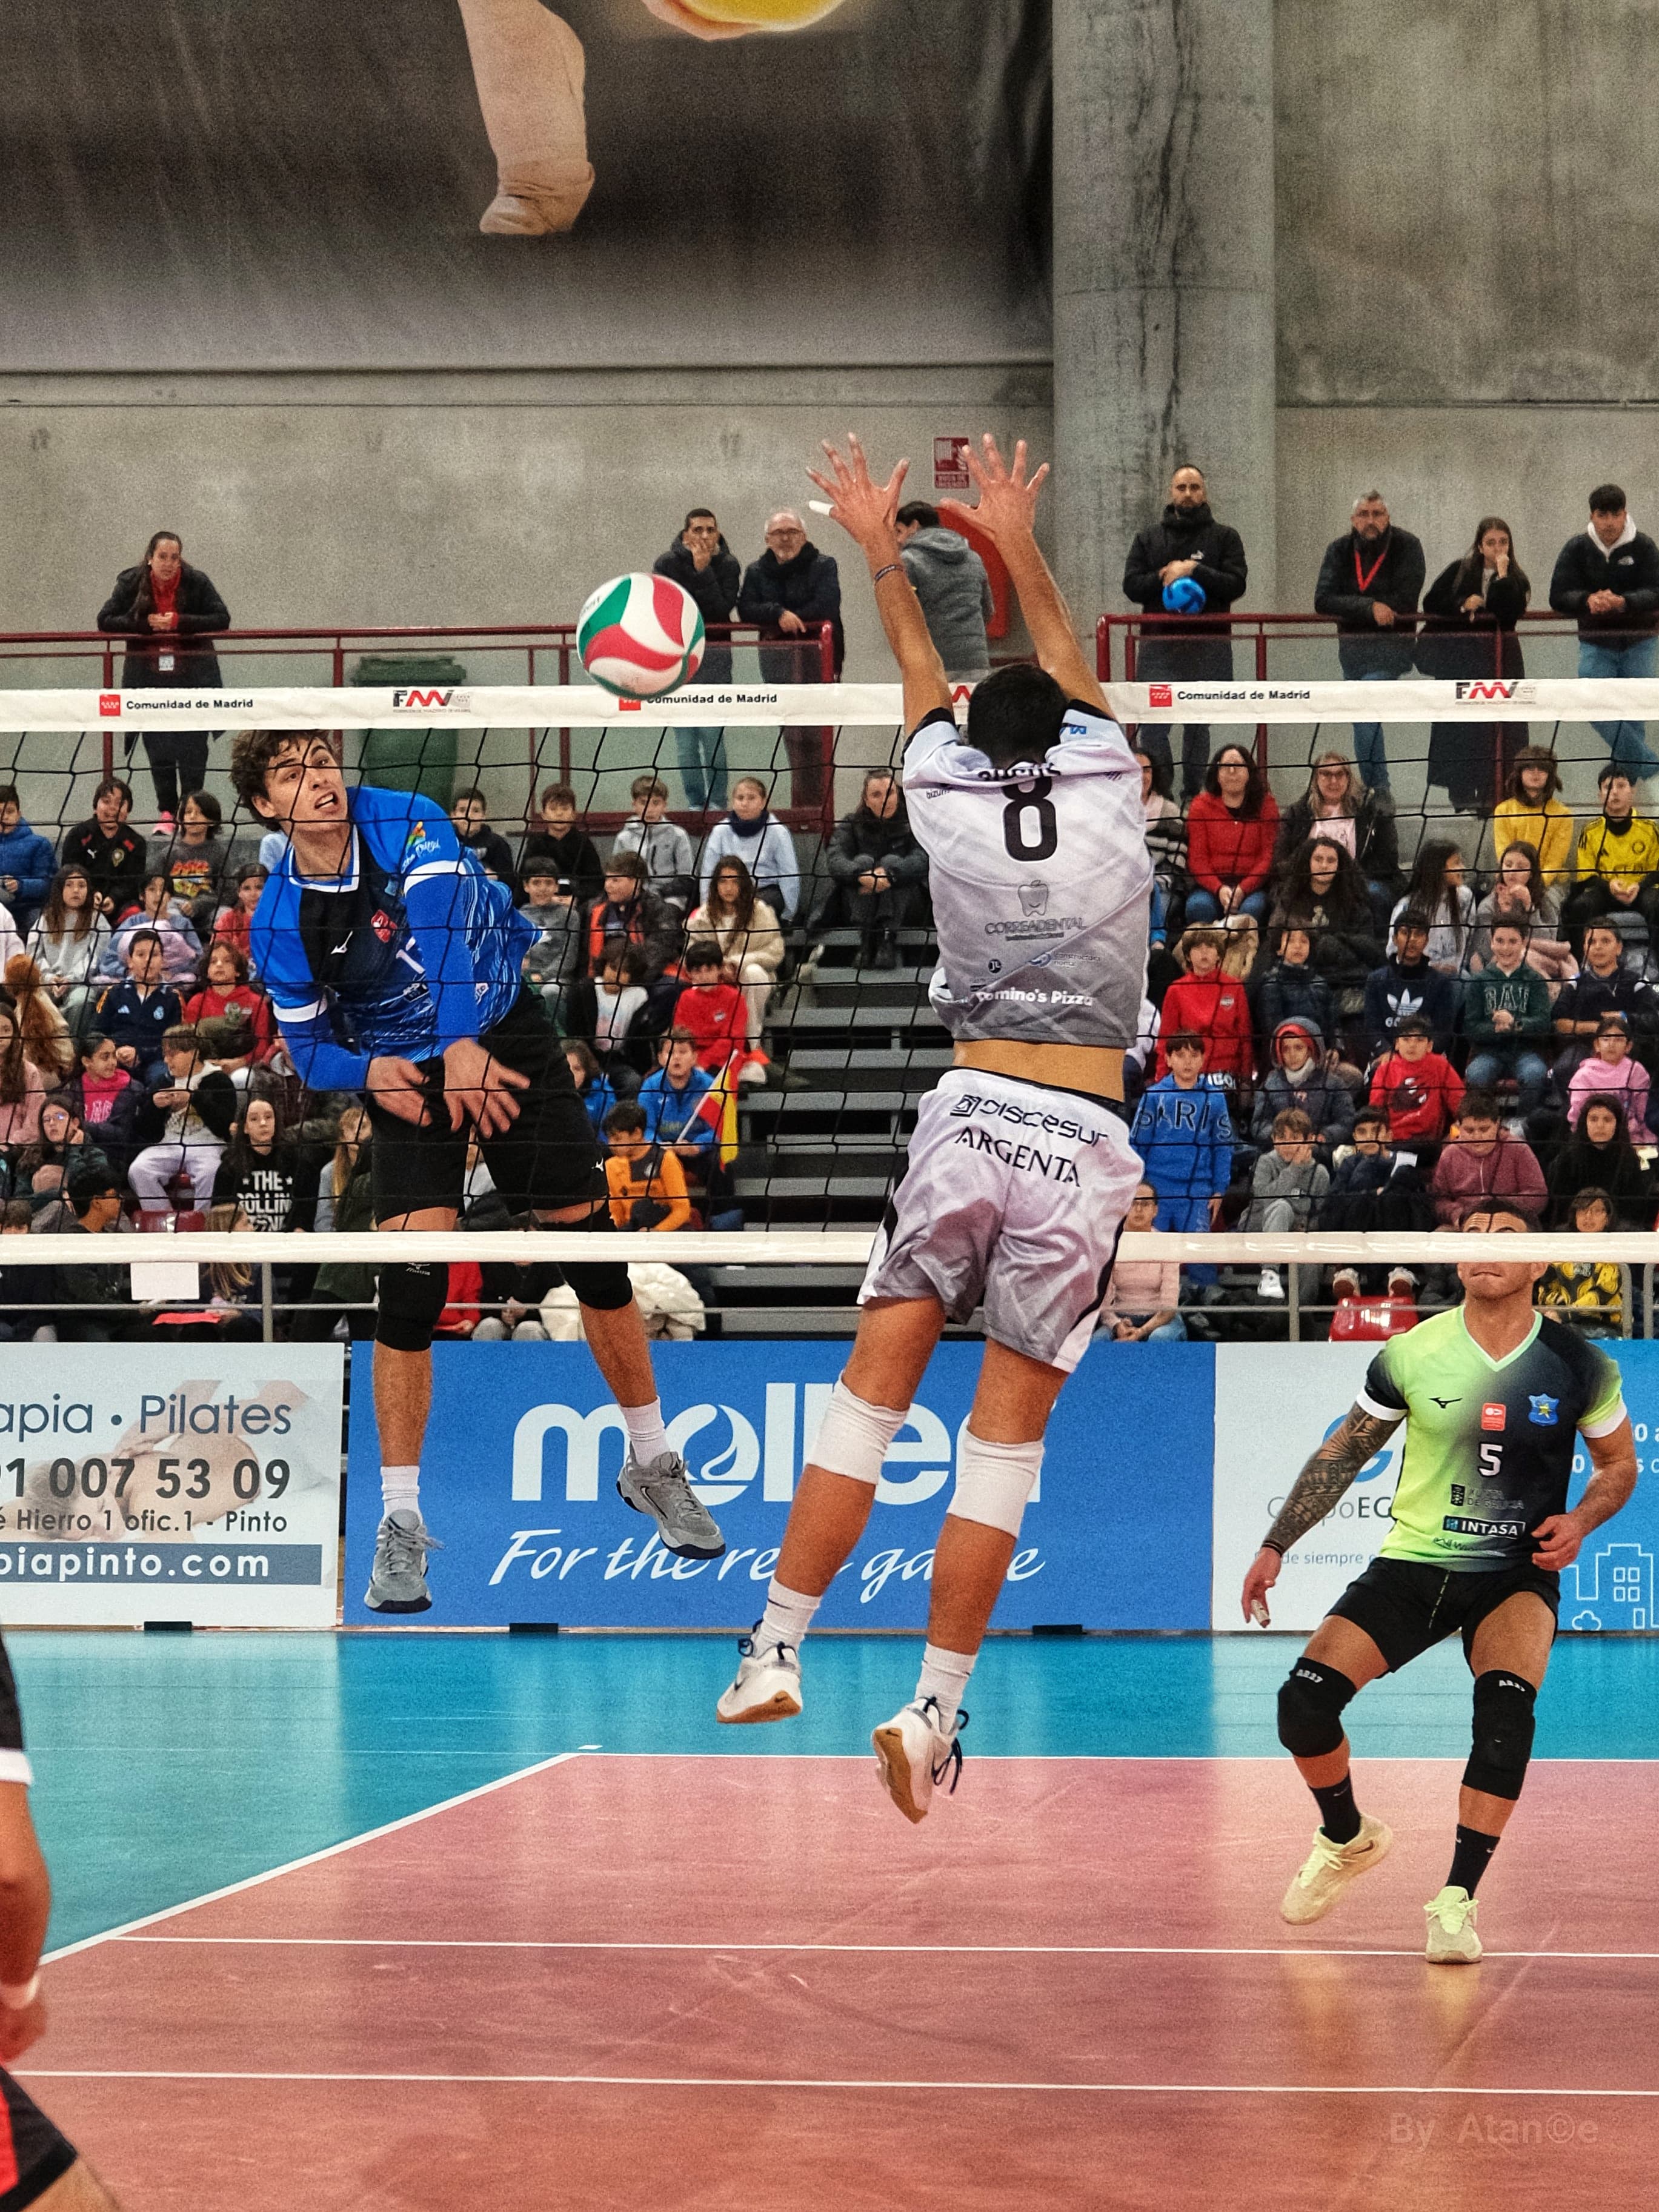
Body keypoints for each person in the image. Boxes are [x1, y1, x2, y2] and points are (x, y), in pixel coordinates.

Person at [715, 432, 1149, 1825]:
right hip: (1079, 1131)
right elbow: (1060, 649)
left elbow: (916, 665)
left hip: (969, 1112)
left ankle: (774, 1648)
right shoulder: (1106, 777)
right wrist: (1013, 535)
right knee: (1000, 1444)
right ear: (1071, 735)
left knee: (867, 1398)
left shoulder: (943, 794)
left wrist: (877, 548)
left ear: (972, 741)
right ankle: (932, 1708)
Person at [234, 723, 726, 1609]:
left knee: (592, 1254)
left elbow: (440, 930)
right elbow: (307, 1051)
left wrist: (462, 1040)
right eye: (292, 772)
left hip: (501, 1025)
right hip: (407, 1068)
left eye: (323, 760)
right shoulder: (277, 918)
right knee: (409, 1286)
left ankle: (652, 1461)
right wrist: (368, 1073)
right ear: (266, 804)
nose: (319, 778)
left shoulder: (404, 817)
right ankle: (397, 1520)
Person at [1242, 1207, 1637, 1962]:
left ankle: (1455, 1900)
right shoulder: (1410, 1352)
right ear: (1452, 1258)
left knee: (1504, 1721)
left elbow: (1617, 1465)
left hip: (1514, 1574)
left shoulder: (1578, 1364)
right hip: (1414, 1562)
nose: (1483, 1248)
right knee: (1302, 1704)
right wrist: (1275, 1542)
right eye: (1470, 1236)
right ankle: (1345, 1836)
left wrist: (1581, 1519)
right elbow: (1342, 1454)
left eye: (1505, 1238)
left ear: (1539, 1264)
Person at [1121, 465, 1249, 802]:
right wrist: (1163, 575)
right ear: (1171, 493)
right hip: (1159, 648)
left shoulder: (1226, 537)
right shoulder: (1148, 538)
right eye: (1182, 488)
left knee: (1197, 726)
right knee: (1153, 727)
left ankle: (1193, 798)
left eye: (1195, 487)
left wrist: (1195, 570)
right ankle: (1162, 797)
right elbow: (1131, 586)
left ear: (1204, 493)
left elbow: (1237, 584)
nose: (1188, 494)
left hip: (1208, 647)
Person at [96, 530, 231, 829]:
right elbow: (105, 620)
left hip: (193, 680)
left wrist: (180, 622)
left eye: (174, 558)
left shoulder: (197, 582)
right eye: (163, 557)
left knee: (194, 748)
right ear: (150, 558)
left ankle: (191, 811)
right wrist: (145, 624)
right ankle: (167, 813)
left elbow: (222, 618)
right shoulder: (130, 582)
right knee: (158, 747)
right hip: (149, 680)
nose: (169, 564)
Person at [1313, 493, 1425, 792]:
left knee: (1363, 710)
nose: (1371, 520)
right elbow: (1323, 600)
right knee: (1363, 718)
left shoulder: (1407, 545)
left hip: (1393, 649)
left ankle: (1378, 788)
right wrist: (1369, 608)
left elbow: (1406, 598)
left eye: (1378, 514)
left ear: (1388, 517)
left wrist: (1354, 607)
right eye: (1364, 514)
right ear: (1353, 520)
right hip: (1352, 653)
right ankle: (1375, 788)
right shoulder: (1339, 549)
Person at [1548, 483, 1659, 779]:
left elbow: (1656, 591)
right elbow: (1558, 596)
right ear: (1592, 516)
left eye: (1615, 514)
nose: (1609, 522)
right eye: (1602, 515)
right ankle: (1652, 771)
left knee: (1635, 714)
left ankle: (1631, 790)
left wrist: (1624, 602)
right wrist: (1587, 600)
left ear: (1625, 514)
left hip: (1640, 642)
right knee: (1592, 704)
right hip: (1596, 644)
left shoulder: (1645, 547)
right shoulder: (1576, 548)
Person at [1420, 518, 1531, 811]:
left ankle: (1499, 791)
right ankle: (1464, 792)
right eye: (1491, 543)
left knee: (1502, 727)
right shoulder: (1460, 570)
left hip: (1501, 662)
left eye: (1503, 542)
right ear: (1480, 546)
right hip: (1462, 661)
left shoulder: (1517, 578)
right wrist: (1463, 603)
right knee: (1463, 728)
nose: (1497, 548)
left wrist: (1503, 577)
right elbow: (1431, 602)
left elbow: (1508, 613)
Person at [738, 511, 844, 810]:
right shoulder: (756, 571)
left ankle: (820, 808)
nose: (785, 538)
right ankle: (804, 807)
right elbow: (746, 609)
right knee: (793, 737)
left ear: (804, 536)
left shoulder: (824, 565)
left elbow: (827, 604)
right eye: (779, 532)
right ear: (767, 540)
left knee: (818, 736)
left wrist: (789, 619)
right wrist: (777, 614)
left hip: (820, 661)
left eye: (792, 531)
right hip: (778, 663)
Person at [654, 507, 740, 811]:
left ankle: (716, 803)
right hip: (678, 663)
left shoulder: (728, 565)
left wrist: (703, 571)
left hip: (715, 663)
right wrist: (696, 570)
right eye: (698, 529)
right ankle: (695, 804)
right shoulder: (666, 564)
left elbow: (720, 609)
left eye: (710, 530)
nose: (704, 535)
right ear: (685, 534)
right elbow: (670, 609)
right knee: (686, 744)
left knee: (713, 738)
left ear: (718, 534)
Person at [1132, 1032, 1235, 1257]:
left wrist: (1219, 1189)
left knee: (1200, 1258)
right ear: (1168, 1059)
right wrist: (1137, 1185)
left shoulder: (1215, 1098)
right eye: (1180, 1055)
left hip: (1197, 1189)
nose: (1188, 1062)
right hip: (1156, 1186)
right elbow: (1137, 1144)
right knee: (1151, 1254)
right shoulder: (1154, 1096)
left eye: (1194, 1055)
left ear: (1203, 1059)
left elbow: (1223, 1147)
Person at [819, 767, 928, 969]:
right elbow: (835, 860)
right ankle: (867, 939)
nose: (885, 800)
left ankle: (886, 937)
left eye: (890, 793)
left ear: (898, 794)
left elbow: (922, 859)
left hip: (910, 907)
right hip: (856, 905)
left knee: (891, 862)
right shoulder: (850, 824)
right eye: (877, 795)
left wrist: (891, 876)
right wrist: (861, 876)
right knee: (863, 861)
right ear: (866, 800)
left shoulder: (915, 822)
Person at [685, 855, 785, 1064]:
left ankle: (751, 1045)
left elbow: (776, 953)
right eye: (723, 881)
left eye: (734, 881)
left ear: (743, 884)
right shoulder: (703, 916)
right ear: (715, 884)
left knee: (754, 974)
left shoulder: (760, 912)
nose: (728, 888)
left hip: (749, 976)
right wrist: (717, 970)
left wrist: (737, 964)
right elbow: (691, 956)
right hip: (713, 978)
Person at [1272, 752, 1400, 914]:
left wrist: (1349, 877)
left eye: (1340, 774)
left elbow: (1387, 859)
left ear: (1349, 778)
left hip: (1357, 880)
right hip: (1309, 881)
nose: (1333, 781)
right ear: (1316, 778)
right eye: (1326, 774)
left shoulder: (1371, 812)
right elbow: (1281, 860)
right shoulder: (1297, 814)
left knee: (1376, 894)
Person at [127, 1025, 236, 1214]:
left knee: (212, 1172)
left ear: (193, 1053)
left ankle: (203, 1223)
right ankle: (165, 1221)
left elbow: (224, 1126)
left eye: (172, 1054)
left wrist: (194, 1098)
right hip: (169, 1144)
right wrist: (153, 1106)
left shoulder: (218, 1080)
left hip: (208, 1145)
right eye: (165, 1055)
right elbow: (145, 1132)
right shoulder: (163, 1081)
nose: (166, 1060)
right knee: (139, 1170)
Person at [1461, 920, 1555, 1116]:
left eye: (1513, 941)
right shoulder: (1479, 981)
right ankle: (1485, 1123)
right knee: (1477, 1075)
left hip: (1527, 1052)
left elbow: (1543, 1024)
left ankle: (1524, 1124)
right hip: (1488, 1052)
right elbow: (1470, 1027)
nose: (1506, 948)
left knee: (1535, 1075)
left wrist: (1515, 1024)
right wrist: (1496, 1029)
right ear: (1492, 943)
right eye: (1500, 941)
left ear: (1523, 943)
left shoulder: (1535, 980)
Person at [896, 502, 994, 682]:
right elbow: (988, 611)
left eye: (899, 531)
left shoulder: (909, 560)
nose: (898, 540)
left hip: (933, 663)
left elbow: (905, 618)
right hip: (976, 660)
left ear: (915, 526)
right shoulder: (973, 558)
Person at [1153, 924, 1255, 1092]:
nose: (1204, 952)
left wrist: (1246, 1080)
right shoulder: (1176, 990)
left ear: (1219, 954)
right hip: (1187, 1074)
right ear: (1188, 956)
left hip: (1226, 1074)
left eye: (1210, 947)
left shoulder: (1234, 987)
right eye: (1197, 948)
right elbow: (1166, 1039)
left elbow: (1245, 1037)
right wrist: (1161, 1080)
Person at [1184, 744, 1279, 923]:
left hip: (1253, 887)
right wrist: (1219, 889)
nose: (1232, 771)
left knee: (1252, 910)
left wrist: (1243, 889)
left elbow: (1268, 856)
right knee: (1198, 907)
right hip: (1211, 886)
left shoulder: (1266, 805)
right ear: (1217, 773)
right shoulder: (1200, 806)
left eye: (1238, 765)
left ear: (1249, 772)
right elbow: (1197, 859)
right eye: (1227, 766)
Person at [1242, 1108, 1329, 1303]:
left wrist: (1304, 1227)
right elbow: (1266, 1200)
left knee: (1311, 1261)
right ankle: (1270, 1274)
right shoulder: (1265, 1163)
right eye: (1282, 1138)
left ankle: (1301, 1315)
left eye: (1295, 1138)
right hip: (1259, 1230)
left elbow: (1319, 1217)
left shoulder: (1320, 1174)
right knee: (1281, 1207)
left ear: (1309, 1140)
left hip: (1299, 1237)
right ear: (1274, 1139)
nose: (1287, 1144)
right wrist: (1295, 1169)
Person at [1552, 920, 1658, 1074]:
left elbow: (1653, 1020)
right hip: (1585, 1046)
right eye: (1592, 942)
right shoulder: (1575, 984)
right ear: (1585, 949)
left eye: (1605, 941)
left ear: (1619, 948)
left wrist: (1624, 1018)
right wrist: (1596, 1028)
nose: (1598, 947)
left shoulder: (1637, 982)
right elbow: (1559, 1023)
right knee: (1565, 1068)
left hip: (1629, 1046)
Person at [1564, 766, 1659, 931]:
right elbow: (1586, 876)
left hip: (1642, 891)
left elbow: (1656, 872)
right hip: (1605, 892)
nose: (1614, 792)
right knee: (1581, 905)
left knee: (1656, 904)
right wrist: (1609, 886)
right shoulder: (1590, 832)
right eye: (1608, 787)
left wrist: (1639, 886)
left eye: (1621, 786)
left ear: (1632, 792)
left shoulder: (1650, 829)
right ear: (1600, 795)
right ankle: (1581, 949)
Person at [1430, 1094, 1546, 1225]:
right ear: (1459, 1127)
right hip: (1464, 1225)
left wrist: (1501, 1210)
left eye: (1484, 1129)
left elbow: (1538, 1195)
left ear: (1497, 1124)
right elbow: (1439, 1200)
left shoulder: (1518, 1148)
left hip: (1511, 1223)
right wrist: (1457, 1215)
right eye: (1469, 1130)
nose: (1477, 1136)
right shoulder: (1449, 1154)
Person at [698, 775, 801, 924]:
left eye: (751, 798)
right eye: (740, 798)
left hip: (766, 891)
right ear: (733, 802)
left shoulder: (778, 831)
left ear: (763, 802)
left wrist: (789, 914)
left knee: (751, 910)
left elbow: (789, 874)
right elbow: (709, 872)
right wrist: (706, 907)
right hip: (730, 890)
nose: (745, 803)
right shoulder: (721, 831)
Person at [1467, 841, 1574, 981]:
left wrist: (1529, 908)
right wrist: (1505, 915)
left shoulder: (1546, 900)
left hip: (1543, 961)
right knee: (1520, 955)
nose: (1512, 871)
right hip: (1500, 963)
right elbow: (1483, 952)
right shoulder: (1488, 905)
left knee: (1526, 955)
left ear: (1531, 874)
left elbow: (1548, 942)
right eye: (1508, 865)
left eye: (1521, 867)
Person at [53, 1166, 135, 1345]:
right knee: (98, 1342)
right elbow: (87, 1296)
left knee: (149, 1333)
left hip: (113, 1315)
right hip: (81, 1318)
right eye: (114, 1195)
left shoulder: (113, 1236)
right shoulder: (73, 1241)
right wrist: (132, 1311)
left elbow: (119, 1284)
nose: (121, 1200)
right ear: (97, 1202)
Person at [1250, 1019, 1354, 1154]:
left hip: (1319, 1155)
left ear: (1311, 1050)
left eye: (1299, 1048)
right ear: (1279, 1053)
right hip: (1279, 1155)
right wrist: (1282, 1138)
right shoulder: (1270, 1085)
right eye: (1286, 1049)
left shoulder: (1333, 1084)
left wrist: (1325, 1136)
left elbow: (1346, 1121)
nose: (1292, 1055)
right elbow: (1259, 1125)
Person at [1363, 911, 1460, 1056]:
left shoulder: (1441, 983)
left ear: (1426, 940)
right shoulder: (1376, 980)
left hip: (1427, 1058)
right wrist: (1387, 1053)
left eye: (1418, 934)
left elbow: (1442, 1033)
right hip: (1385, 1058)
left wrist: (1417, 1056)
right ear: (1395, 939)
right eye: (1405, 933)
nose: (1412, 939)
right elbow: (1371, 1029)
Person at [27, 868, 110, 1035]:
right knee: (33, 999)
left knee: (82, 1001)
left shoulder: (98, 921)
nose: (76, 890)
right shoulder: (46, 918)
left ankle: (72, 1047)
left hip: (81, 983)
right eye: (69, 885)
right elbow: (34, 954)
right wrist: (49, 978)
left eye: (81, 885)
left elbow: (96, 958)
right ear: (60, 889)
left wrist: (71, 979)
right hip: (47, 981)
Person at [1098, 1184, 1183, 1341]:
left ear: (1155, 1210)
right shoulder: (1111, 1244)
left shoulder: (1167, 1245)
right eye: (1133, 1203)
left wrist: (1141, 1332)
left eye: (1145, 1204)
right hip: (1122, 1318)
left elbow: (1169, 1308)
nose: (1138, 1209)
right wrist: (1117, 1325)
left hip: (1161, 1320)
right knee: (1098, 1340)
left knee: (1160, 1338)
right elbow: (1104, 1302)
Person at [91, 934, 181, 1082]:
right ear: (130, 961)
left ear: (163, 961)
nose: (148, 960)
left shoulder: (173, 998)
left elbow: (175, 1043)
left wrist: (141, 1054)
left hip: (155, 1061)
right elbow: (96, 1033)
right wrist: (114, 1052)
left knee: (162, 1077)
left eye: (154, 955)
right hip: (115, 1059)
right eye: (141, 955)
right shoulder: (114, 993)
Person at [1546, 1098, 1649, 1228]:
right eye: (1594, 1119)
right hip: (1576, 1228)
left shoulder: (1628, 1158)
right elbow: (1561, 1209)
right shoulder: (1568, 1158)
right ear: (1585, 1123)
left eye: (1607, 1120)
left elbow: (1634, 1209)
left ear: (1618, 1125)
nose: (1600, 1126)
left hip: (1617, 1229)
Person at [1486, 746, 1576, 890]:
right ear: (1520, 773)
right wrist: (1515, 882)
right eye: (1529, 768)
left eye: (1542, 769)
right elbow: (1504, 854)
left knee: (1546, 901)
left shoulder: (1562, 814)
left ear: (1550, 775)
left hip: (1550, 885)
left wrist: (1537, 887)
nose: (1536, 773)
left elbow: (1555, 861)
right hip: (1510, 880)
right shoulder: (1503, 810)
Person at [1368, 1015, 1465, 1145]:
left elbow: (1459, 1102)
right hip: (1393, 1141)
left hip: (1430, 1142)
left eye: (1419, 1040)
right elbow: (1376, 1110)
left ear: (1430, 1046)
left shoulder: (1441, 1065)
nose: (1412, 1045)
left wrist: (1458, 1128)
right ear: (1397, 1044)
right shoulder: (1385, 1070)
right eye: (1406, 1039)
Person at [59, 780, 148, 917]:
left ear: (128, 810)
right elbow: (69, 874)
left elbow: (133, 883)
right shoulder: (78, 835)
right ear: (95, 807)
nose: (113, 808)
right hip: (82, 900)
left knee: (135, 913)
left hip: (120, 905)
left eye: (119, 804)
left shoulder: (136, 842)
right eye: (106, 802)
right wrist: (91, 894)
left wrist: (114, 899)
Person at [1539, 1190, 1623, 1336]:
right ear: (1575, 1216)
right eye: (1582, 1210)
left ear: (1608, 1218)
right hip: (1562, 1322)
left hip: (1603, 1326)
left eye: (1596, 1211)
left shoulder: (1615, 1251)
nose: (1588, 1216)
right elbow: (1546, 1290)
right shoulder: (1560, 1252)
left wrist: (1566, 1314)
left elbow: (1602, 1293)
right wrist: (1560, 1310)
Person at [96, 874, 202, 987]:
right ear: (142, 896)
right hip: (134, 981)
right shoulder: (131, 923)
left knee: (189, 980)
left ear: (170, 897)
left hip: (170, 982)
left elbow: (198, 958)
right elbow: (109, 959)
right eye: (152, 890)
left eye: (163, 890)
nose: (158, 895)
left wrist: (172, 972)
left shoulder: (183, 924)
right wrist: (127, 972)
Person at [636, 1029, 722, 1169]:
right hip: (661, 1151)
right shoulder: (650, 1087)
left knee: (719, 1162)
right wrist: (659, 1146)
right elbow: (646, 1128)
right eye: (670, 1052)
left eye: (682, 1052)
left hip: (696, 1150)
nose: (676, 1057)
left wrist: (697, 1146)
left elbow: (717, 1129)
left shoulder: (710, 1086)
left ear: (694, 1057)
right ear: (661, 1059)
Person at [603, 1101, 693, 1232]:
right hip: (632, 1233)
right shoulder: (611, 1166)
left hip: (669, 1233)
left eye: (618, 1139)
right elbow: (616, 1213)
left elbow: (682, 1209)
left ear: (637, 1133)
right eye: (609, 1139)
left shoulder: (665, 1159)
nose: (611, 1144)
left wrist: (655, 1232)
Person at [611, 775, 696, 912]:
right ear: (634, 805)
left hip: (670, 898)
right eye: (643, 803)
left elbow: (687, 879)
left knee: (663, 916)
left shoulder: (678, 835)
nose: (649, 809)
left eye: (656, 803)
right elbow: (617, 875)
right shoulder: (624, 838)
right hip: (633, 897)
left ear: (664, 806)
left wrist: (660, 893)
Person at [155, 792, 239, 929]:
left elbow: (228, 893)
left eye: (199, 813)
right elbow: (157, 888)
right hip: (177, 906)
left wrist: (200, 904)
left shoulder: (219, 853)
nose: (192, 817)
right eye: (188, 812)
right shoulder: (168, 853)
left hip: (210, 908)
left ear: (212, 821)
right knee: (170, 917)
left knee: (225, 915)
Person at [182, 940, 275, 1061]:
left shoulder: (256, 1002)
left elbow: (262, 1045)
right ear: (207, 972)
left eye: (227, 961)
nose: (219, 965)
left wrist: (242, 1062)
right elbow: (191, 1045)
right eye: (213, 962)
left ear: (238, 971)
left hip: (246, 1065)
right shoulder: (197, 1002)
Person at [1566, 1014, 1654, 1140]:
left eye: (1618, 1040)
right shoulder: (1584, 1076)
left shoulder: (1636, 1071)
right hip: (1594, 1136)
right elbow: (1577, 1117)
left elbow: (1643, 1113)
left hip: (1631, 1136)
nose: (1611, 1044)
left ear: (1628, 1046)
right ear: (1597, 1045)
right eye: (1606, 1039)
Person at [1391, 843, 1474, 974]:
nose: (1463, 868)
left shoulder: (1465, 898)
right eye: (1456, 863)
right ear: (1439, 869)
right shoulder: (1408, 905)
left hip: (1456, 975)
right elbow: (1393, 950)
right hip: (1419, 975)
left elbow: (1469, 943)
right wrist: (1429, 968)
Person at [66, 1032, 142, 1175]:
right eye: (105, 1057)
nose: (113, 1062)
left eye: (114, 1056)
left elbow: (122, 1134)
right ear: (87, 1061)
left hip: (114, 1157)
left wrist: (83, 1125)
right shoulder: (72, 1088)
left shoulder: (132, 1088)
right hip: (78, 1152)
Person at [519, 863, 586, 1023]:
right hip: (525, 977)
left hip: (557, 979)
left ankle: (559, 1036)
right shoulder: (518, 916)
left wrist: (543, 976)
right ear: (526, 886)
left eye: (548, 883)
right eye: (537, 883)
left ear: (556, 886)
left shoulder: (570, 916)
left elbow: (569, 957)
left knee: (550, 992)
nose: (543, 888)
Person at [671, 942, 748, 1079]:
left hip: (725, 1059)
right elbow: (680, 1036)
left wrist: (703, 1062)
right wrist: (691, 1060)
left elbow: (732, 1040)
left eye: (709, 970)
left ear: (720, 969)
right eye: (698, 971)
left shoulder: (735, 998)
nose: (704, 976)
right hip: (691, 1058)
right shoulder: (686, 998)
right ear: (689, 974)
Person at [519, 784, 605, 905]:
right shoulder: (536, 843)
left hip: (577, 903)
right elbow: (524, 880)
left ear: (574, 813)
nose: (559, 814)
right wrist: (547, 898)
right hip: (541, 903)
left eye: (565, 809)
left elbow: (596, 881)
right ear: (543, 814)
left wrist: (576, 899)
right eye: (553, 809)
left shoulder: (584, 843)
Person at [1254, 928, 1335, 1045]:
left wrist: (1335, 1048)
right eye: (1290, 941)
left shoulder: (1320, 983)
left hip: (1320, 1051)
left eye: (1304, 941)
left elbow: (1333, 1024)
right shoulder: (1272, 984)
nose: (1298, 946)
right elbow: (1273, 1030)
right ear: (1279, 949)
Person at [0, 791, 56, 939]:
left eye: (9, 812)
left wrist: (20, 886)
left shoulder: (39, 844)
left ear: (19, 814)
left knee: (40, 924)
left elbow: (49, 884)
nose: (4, 817)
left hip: (29, 908)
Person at [0, 1008, 52, 1153]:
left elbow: (35, 1121)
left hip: (16, 1151)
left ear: (15, 1033)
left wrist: (10, 1145)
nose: (1, 1037)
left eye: (6, 1030)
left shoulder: (28, 1071)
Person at [448, 788, 518, 892]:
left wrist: (495, 878)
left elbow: (510, 882)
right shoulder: (447, 843)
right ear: (453, 816)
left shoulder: (497, 844)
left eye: (476, 811)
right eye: (462, 810)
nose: (469, 816)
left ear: (484, 815)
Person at [211, 865, 269, 975]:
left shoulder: (278, 919)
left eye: (259, 888)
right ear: (239, 892)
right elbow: (218, 952)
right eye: (247, 888)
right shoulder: (228, 919)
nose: (253, 894)